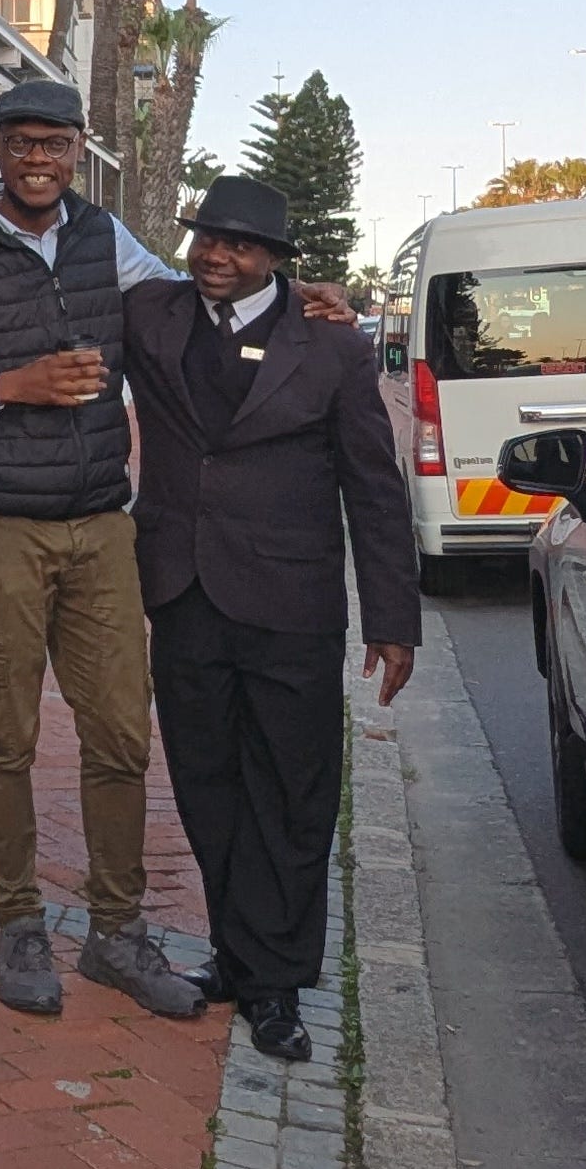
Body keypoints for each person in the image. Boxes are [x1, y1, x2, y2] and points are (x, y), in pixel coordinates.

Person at [0, 79, 348, 1019]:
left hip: (106, 522)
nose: (38, 159)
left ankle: (115, 929)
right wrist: (11, 384)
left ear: (77, 150)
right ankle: (19, 924)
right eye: (22, 142)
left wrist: (292, 293)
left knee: (119, 734)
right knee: (4, 735)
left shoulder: (104, 237)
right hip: (2, 526)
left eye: (55, 144)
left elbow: (196, 293)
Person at [120, 174, 419, 1063]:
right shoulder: (152, 315)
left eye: (239, 245)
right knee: (206, 784)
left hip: (291, 604)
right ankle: (237, 951)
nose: (216, 255)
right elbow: (64, 253)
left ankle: (278, 981)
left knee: (291, 791)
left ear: (275, 260)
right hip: (182, 592)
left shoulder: (331, 345)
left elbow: (373, 485)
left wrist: (391, 618)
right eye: (207, 238)